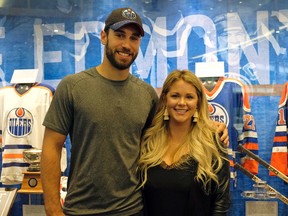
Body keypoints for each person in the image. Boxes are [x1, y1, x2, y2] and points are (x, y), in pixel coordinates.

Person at [40, 8, 229, 216]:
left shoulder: (146, 95)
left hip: (132, 210)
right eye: (119, 35)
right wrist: (52, 209)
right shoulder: (72, 87)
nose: (126, 45)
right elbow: (51, 146)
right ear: (104, 36)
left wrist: (210, 126)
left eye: (134, 38)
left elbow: (169, 128)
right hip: (80, 209)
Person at [138, 69, 230, 216]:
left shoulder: (213, 143)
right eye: (175, 96)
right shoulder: (148, 141)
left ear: (198, 102)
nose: (182, 103)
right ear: (165, 99)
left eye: (189, 97)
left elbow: (221, 202)